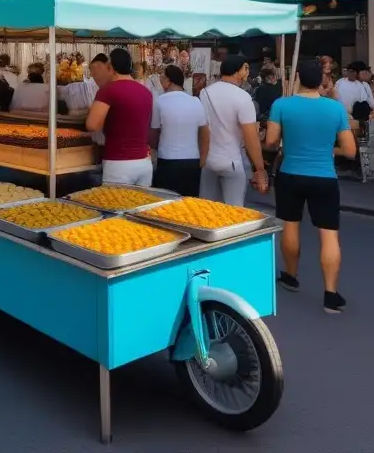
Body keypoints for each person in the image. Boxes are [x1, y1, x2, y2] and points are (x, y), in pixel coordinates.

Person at [266, 60, 356, 314]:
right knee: (329, 234)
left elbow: (271, 142)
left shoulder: (282, 104)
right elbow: (350, 150)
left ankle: (291, 276)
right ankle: (330, 293)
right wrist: (329, 148)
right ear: (322, 82)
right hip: (324, 177)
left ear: (297, 78)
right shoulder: (335, 109)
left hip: (290, 174)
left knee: (290, 226)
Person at [198, 54, 268, 206]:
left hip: (208, 160)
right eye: (246, 68)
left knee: (206, 210)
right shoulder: (243, 97)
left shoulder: (205, 93)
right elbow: (251, 137)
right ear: (238, 71)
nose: (247, 72)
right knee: (234, 212)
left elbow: (201, 128)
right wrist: (260, 169)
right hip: (231, 161)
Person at [86, 48, 154, 186]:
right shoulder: (146, 92)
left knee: (114, 206)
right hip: (144, 163)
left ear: (110, 67)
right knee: (141, 206)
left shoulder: (108, 90)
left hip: (119, 163)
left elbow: (92, 125)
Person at [150, 65, 208, 196]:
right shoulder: (195, 101)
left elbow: (154, 132)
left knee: (166, 203)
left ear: (169, 81)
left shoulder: (159, 101)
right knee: (189, 203)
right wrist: (202, 159)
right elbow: (205, 133)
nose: (160, 80)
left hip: (167, 160)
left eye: (162, 77)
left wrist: (153, 147)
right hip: (192, 161)